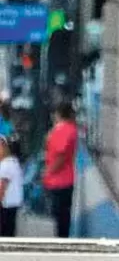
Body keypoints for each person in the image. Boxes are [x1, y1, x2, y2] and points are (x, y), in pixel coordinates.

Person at [43, 101, 78, 238]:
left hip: (59, 180)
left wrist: (49, 171)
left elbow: (61, 155)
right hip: (65, 179)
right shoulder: (71, 129)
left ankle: (60, 239)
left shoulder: (63, 130)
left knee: (59, 215)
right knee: (63, 216)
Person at [0, 135, 23, 237]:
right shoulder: (14, 163)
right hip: (12, 204)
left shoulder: (6, 164)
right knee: (9, 230)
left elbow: (2, 186)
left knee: (5, 231)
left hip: (5, 204)